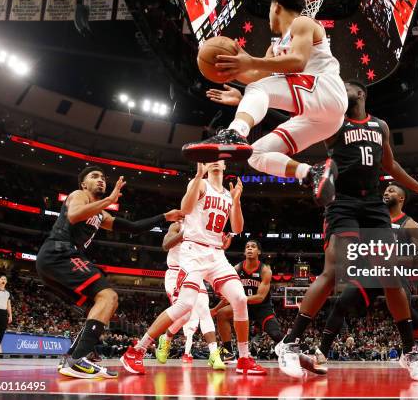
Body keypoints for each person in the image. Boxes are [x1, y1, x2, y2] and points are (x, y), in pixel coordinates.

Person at [272, 79, 418, 380]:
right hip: (342, 202)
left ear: (360, 92)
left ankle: (410, 352)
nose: (338, 89)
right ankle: (290, 342)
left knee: (390, 277)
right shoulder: (332, 120)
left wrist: (416, 187)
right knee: (334, 271)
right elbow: (294, 118)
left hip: (373, 204)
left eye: (345, 86)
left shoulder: (380, 126)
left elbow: (391, 165)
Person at [183, 0, 348, 207]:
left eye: (269, 9)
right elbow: (256, 76)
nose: (269, 15)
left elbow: (298, 61)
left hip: (327, 90)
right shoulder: (275, 49)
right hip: (325, 119)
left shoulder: (303, 23)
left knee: (258, 89)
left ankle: (234, 133)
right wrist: (233, 73)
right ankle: (312, 173)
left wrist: (250, 63)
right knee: (255, 155)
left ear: (276, 6)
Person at [36, 166, 183, 379]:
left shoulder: (100, 214)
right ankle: (78, 360)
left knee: (99, 305)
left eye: (103, 178)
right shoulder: (78, 195)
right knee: (109, 295)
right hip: (59, 252)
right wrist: (110, 198)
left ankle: (73, 358)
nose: (101, 180)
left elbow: (133, 228)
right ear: (84, 184)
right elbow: (75, 215)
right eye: (94, 177)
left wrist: (164, 216)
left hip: (56, 260)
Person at [121, 161, 266, 375]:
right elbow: (186, 209)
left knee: (240, 298)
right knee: (185, 305)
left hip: (216, 253)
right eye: (211, 158)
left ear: (225, 165)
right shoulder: (200, 184)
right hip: (193, 251)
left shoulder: (228, 193)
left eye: (219, 158)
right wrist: (198, 176)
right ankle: (137, 350)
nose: (216, 161)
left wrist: (236, 201)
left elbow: (237, 228)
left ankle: (244, 358)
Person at [310, 183, 418, 377]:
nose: (386, 192)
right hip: (370, 271)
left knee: (406, 311)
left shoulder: (409, 224)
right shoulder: (372, 219)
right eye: (385, 190)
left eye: (391, 191)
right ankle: (321, 353)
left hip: (395, 272)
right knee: (342, 304)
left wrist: (393, 259)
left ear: (401, 198)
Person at [154, 220, 228, 370]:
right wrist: (186, 233)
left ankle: (214, 354)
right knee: (185, 315)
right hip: (176, 273)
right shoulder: (177, 224)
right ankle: (166, 338)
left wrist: (221, 247)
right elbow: (165, 245)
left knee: (204, 310)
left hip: (194, 272)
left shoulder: (205, 228)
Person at [211, 239, 283, 362]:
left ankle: (294, 351)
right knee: (222, 314)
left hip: (262, 307)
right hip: (243, 306)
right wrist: (215, 309)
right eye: (247, 246)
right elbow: (229, 294)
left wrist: (239, 299)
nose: (249, 248)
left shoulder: (265, 270)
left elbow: (260, 297)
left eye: (253, 246)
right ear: (244, 252)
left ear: (258, 251)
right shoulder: (237, 269)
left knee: (275, 334)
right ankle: (228, 351)